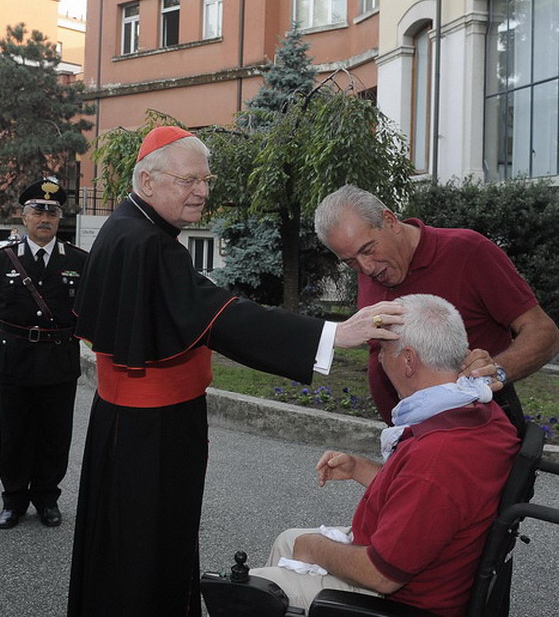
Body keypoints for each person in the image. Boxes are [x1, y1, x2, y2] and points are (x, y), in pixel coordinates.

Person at [67, 126, 404, 617]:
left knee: (126, 540)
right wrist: (332, 334)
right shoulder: (147, 242)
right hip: (152, 431)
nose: (201, 191)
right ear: (147, 181)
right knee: (148, 547)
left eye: (206, 180)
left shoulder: (130, 228)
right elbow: (224, 318)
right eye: (188, 180)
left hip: (130, 424)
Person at [250, 294, 520, 617]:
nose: (378, 358)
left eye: (382, 349)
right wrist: (358, 468)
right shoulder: (480, 412)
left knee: (256, 589)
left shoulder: (437, 455)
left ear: (408, 360)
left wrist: (315, 548)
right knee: (287, 540)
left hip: (398, 599)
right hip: (426, 562)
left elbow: (382, 575)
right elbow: (428, 498)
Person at [314, 184, 559, 427]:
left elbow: (545, 333)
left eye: (368, 249)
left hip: (475, 431)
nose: (366, 268)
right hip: (408, 437)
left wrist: (496, 370)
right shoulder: (370, 269)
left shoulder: (467, 251)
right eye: (350, 262)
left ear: (390, 220)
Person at [0, 177, 87, 529]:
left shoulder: (79, 260)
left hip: (58, 361)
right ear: (24, 216)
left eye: (52, 212)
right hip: (12, 361)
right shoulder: (4, 259)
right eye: (38, 211)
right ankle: (13, 500)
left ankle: (47, 498)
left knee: (55, 434)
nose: (45, 218)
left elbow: (90, 311)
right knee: (12, 433)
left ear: (59, 218)